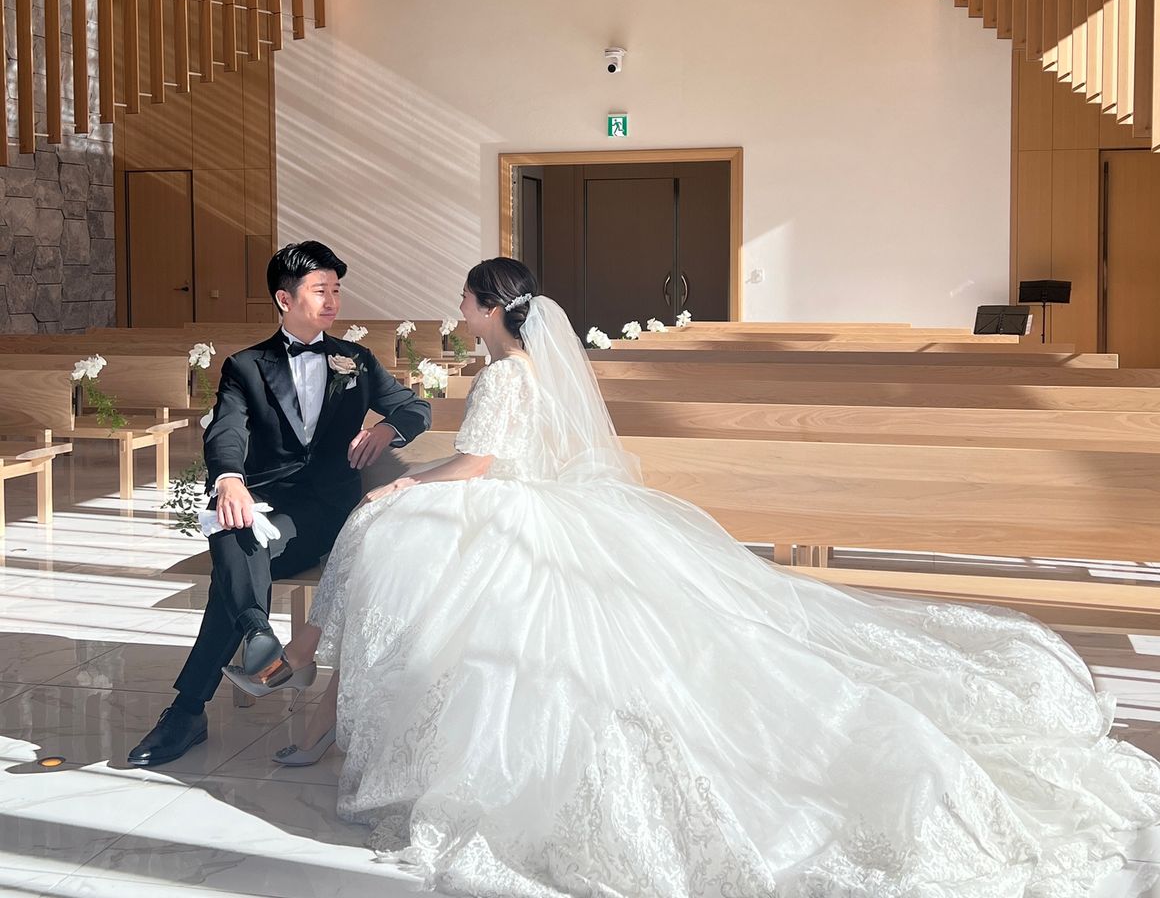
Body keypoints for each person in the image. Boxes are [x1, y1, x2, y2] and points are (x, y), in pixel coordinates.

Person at [239, 257, 1160, 897]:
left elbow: (479, 465)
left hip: (506, 503)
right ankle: (314, 691)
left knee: (383, 533)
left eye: (468, 302)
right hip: (533, 503)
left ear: (490, 309)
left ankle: (311, 687)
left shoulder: (504, 377)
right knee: (381, 547)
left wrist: (408, 485)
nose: (462, 311)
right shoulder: (525, 369)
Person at [127, 241, 431, 768]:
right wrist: (229, 480)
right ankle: (258, 637)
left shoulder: (356, 360)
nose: (332, 301)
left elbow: (415, 408)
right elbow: (226, 430)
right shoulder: (245, 366)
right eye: (320, 290)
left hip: (327, 515)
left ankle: (190, 708)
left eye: (336, 290)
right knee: (233, 525)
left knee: (231, 557)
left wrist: (387, 427)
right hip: (269, 506)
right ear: (284, 299)